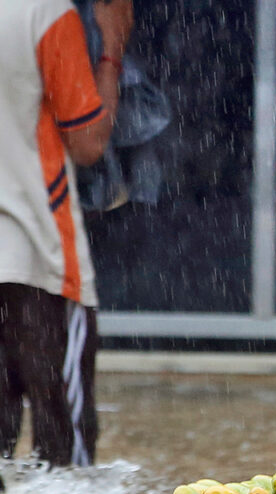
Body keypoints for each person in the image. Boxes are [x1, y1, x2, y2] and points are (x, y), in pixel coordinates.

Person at [0, 0, 134, 466]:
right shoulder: (46, 12)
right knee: (65, 460)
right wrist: (112, 48)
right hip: (37, 257)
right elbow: (87, 141)